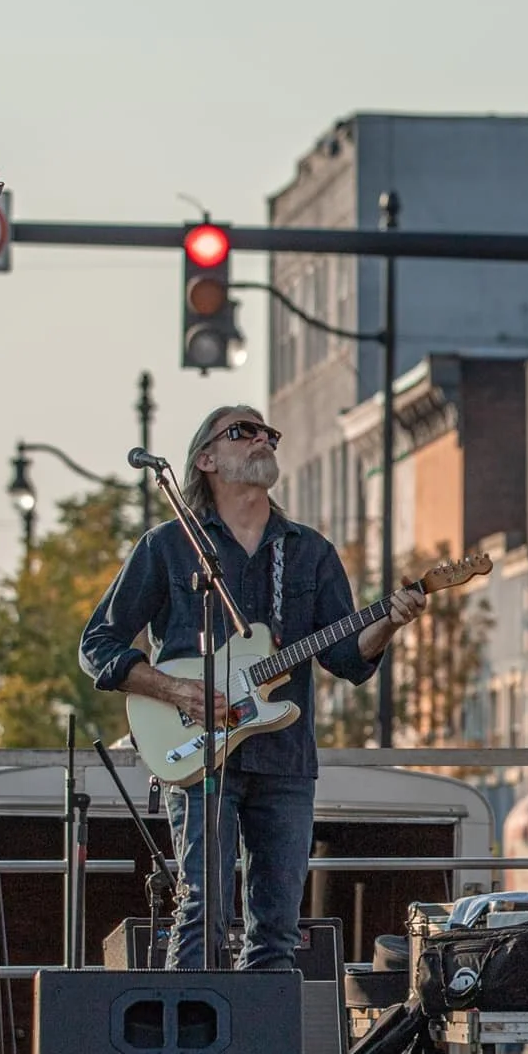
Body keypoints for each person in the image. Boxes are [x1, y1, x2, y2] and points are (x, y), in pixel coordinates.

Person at [81, 406, 425, 970]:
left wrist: (388, 620)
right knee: (201, 912)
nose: (263, 438)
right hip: (198, 756)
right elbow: (98, 643)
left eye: (269, 432)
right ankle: (187, 1051)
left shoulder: (309, 551)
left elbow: (346, 658)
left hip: (284, 759)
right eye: (244, 431)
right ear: (206, 459)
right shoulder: (169, 546)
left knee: (278, 928)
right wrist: (175, 690)